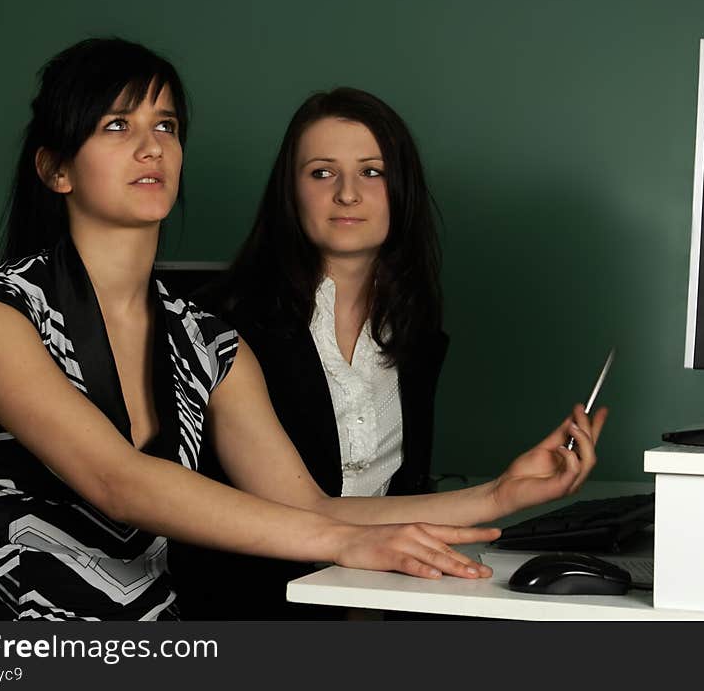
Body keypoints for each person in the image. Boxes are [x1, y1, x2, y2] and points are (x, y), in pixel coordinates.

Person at [0, 38, 604, 621]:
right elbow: (115, 481)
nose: (151, 147)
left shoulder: (209, 343)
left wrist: (501, 494)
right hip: (9, 631)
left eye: (166, 125)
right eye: (116, 126)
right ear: (56, 169)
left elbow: (312, 507)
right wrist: (339, 545)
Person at [172, 88, 609, 619]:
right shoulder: (224, 325)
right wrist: (499, 497)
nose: (348, 194)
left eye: (372, 172)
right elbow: (305, 512)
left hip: (367, 605)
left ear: (402, 191)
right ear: (290, 193)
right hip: (248, 613)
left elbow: (392, 504)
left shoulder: (418, 338)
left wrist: (510, 491)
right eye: (321, 173)